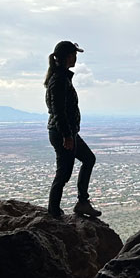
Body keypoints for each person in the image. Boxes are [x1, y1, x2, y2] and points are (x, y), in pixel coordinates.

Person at [44, 40, 101, 219]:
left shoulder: (60, 77)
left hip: (66, 132)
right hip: (63, 133)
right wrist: (67, 136)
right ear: (69, 56)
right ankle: (54, 211)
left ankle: (81, 202)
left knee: (88, 159)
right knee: (64, 173)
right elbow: (59, 111)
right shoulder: (59, 79)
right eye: (74, 55)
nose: (76, 58)